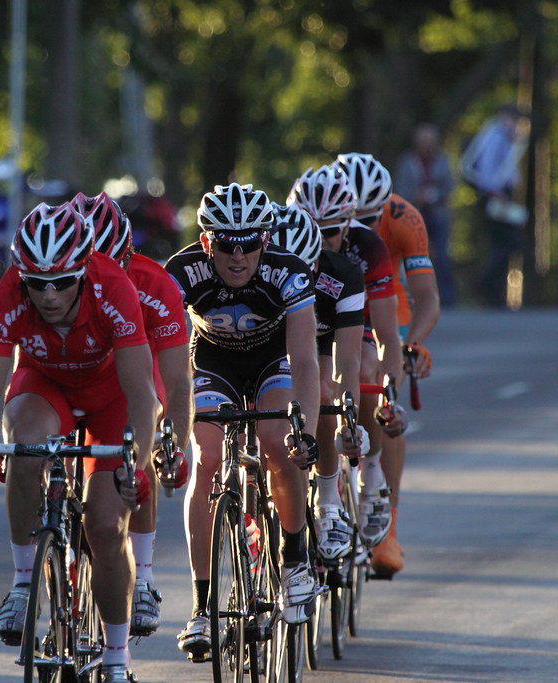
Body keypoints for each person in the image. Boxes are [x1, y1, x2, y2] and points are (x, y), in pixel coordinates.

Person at [0, 202, 158, 683]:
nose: (47, 295)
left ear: (84, 270)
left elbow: (143, 396)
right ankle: (24, 583)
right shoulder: (9, 295)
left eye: (62, 282)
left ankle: (115, 656)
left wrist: (139, 465)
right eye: (35, 283)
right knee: (23, 443)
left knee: (106, 528)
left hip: (112, 398)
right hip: (45, 387)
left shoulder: (114, 288)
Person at [165, 183, 320, 660]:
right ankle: (202, 607)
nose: (237, 256)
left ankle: (293, 560)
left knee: (277, 442)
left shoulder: (288, 273)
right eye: (225, 244)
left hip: (273, 361)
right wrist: (166, 435)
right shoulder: (180, 272)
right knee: (206, 458)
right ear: (206, 243)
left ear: (265, 241)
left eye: (249, 243)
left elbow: (307, 361)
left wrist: (307, 432)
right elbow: (164, 362)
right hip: (213, 362)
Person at [70, 191, 193, 637]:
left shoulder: (152, 283)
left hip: (134, 373)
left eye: (112, 262)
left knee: (141, 440)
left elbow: (177, 380)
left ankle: (143, 575)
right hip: (75, 372)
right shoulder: (55, 281)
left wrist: (174, 444)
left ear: (128, 254)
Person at [288, 165, 404, 567]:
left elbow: (388, 334)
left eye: (331, 233)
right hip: (300, 323)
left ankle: (371, 477)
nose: (319, 243)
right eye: (310, 229)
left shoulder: (366, 248)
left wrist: (390, 391)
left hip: (353, 320)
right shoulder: (282, 245)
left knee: (364, 367)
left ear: (349, 225)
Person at [334, 152, 440, 577]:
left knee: (382, 389)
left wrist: (412, 343)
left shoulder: (403, 217)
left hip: (381, 299)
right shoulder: (311, 210)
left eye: (371, 216)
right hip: (327, 297)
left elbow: (427, 297)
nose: (362, 226)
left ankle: (387, 528)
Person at [271, 202, 367, 563]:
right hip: (270, 343)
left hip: (326, 338)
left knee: (324, 390)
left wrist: (349, 419)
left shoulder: (341, 275)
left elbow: (349, 360)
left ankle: (328, 501)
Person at [460, 104, 529, 307]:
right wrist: (496, 193)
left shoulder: (505, 138)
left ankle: (493, 292)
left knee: (502, 244)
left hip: (499, 194)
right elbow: (488, 167)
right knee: (508, 243)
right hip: (495, 195)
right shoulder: (496, 136)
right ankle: (485, 282)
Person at [395, 123, 457, 307]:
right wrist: (416, 196)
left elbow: (450, 186)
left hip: (437, 213)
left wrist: (435, 194)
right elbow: (400, 189)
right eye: (424, 142)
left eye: (430, 142)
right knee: (413, 254)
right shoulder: (407, 162)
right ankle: (411, 296)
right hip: (414, 214)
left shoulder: (442, 161)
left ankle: (446, 297)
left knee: (442, 254)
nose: (427, 146)